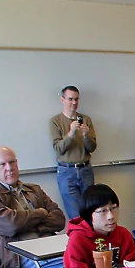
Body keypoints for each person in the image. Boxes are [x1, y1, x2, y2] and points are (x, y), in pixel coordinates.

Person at [0, 147, 67, 268]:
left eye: (12, 162)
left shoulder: (34, 189)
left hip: (50, 249)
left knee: (90, 259)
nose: (9, 168)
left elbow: (59, 219)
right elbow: (11, 225)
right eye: (2, 164)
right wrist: (41, 213)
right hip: (20, 261)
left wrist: (29, 225)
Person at [49, 86, 97, 219]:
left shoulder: (86, 120)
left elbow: (92, 147)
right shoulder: (55, 121)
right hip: (67, 172)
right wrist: (70, 133)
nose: (74, 103)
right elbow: (59, 148)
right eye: (70, 99)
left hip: (85, 169)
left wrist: (86, 136)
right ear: (62, 100)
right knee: (75, 215)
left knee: (91, 211)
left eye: (76, 99)